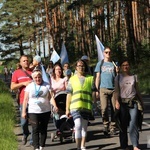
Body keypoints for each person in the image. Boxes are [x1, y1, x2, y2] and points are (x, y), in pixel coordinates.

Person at [114, 59, 144, 150]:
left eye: (127, 65)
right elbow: (116, 91)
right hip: (122, 103)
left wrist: (141, 101)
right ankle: (124, 146)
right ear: (121, 67)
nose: (125, 67)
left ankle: (135, 145)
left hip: (133, 102)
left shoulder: (134, 77)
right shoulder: (118, 77)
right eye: (123, 65)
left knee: (133, 123)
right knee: (123, 124)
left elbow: (137, 90)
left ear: (129, 66)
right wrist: (116, 101)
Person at [66, 59, 94, 150]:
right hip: (75, 106)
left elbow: (94, 92)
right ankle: (78, 147)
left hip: (86, 106)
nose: (81, 67)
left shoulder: (90, 78)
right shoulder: (72, 79)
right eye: (79, 66)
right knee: (77, 125)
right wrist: (67, 108)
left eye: (82, 66)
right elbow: (69, 94)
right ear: (76, 68)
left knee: (84, 127)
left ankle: (83, 146)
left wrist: (94, 101)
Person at [22, 69, 52, 150]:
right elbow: (25, 99)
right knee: (35, 128)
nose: (38, 79)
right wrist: (23, 111)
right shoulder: (29, 86)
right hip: (33, 111)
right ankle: (36, 147)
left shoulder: (46, 85)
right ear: (33, 78)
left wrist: (54, 106)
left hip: (45, 110)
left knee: (43, 129)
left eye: (39, 77)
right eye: (35, 77)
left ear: (41, 77)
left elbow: (50, 98)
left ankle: (42, 146)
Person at [94, 47, 119, 136]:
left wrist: (117, 71)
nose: (108, 54)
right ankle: (105, 125)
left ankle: (113, 127)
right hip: (103, 88)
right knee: (104, 109)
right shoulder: (100, 64)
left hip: (113, 89)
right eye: (106, 52)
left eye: (109, 52)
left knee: (114, 109)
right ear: (103, 53)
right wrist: (96, 90)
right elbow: (98, 77)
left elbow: (118, 77)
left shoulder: (115, 63)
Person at [10, 55, 33, 145]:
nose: (26, 62)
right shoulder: (16, 73)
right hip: (23, 100)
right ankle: (26, 133)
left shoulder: (33, 72)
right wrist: (23, 83)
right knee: (24, 123)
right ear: (20, 63)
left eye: (27, 60)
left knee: (34, 122)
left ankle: (32, 141)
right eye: (24, 61)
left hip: (33, 101)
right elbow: (12, 87)